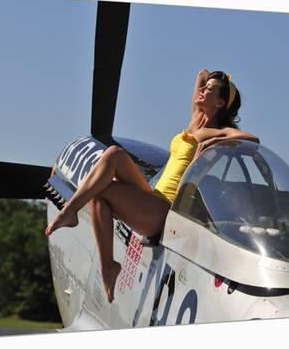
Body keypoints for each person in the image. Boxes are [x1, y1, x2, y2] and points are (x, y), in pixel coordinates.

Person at [44, 69, 259, 303]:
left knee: (100, 193)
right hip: (154, 194)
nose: (203, 90)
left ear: (220, 102)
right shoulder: (195, 120)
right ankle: (78, 221)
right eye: (204, 87)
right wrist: (213, 79)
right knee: (114, 154)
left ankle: (95, 248)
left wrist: (218, 139)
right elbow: (201, 74)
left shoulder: (216, 132)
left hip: (167, 208)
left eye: (210, 90)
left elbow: (251, 139)